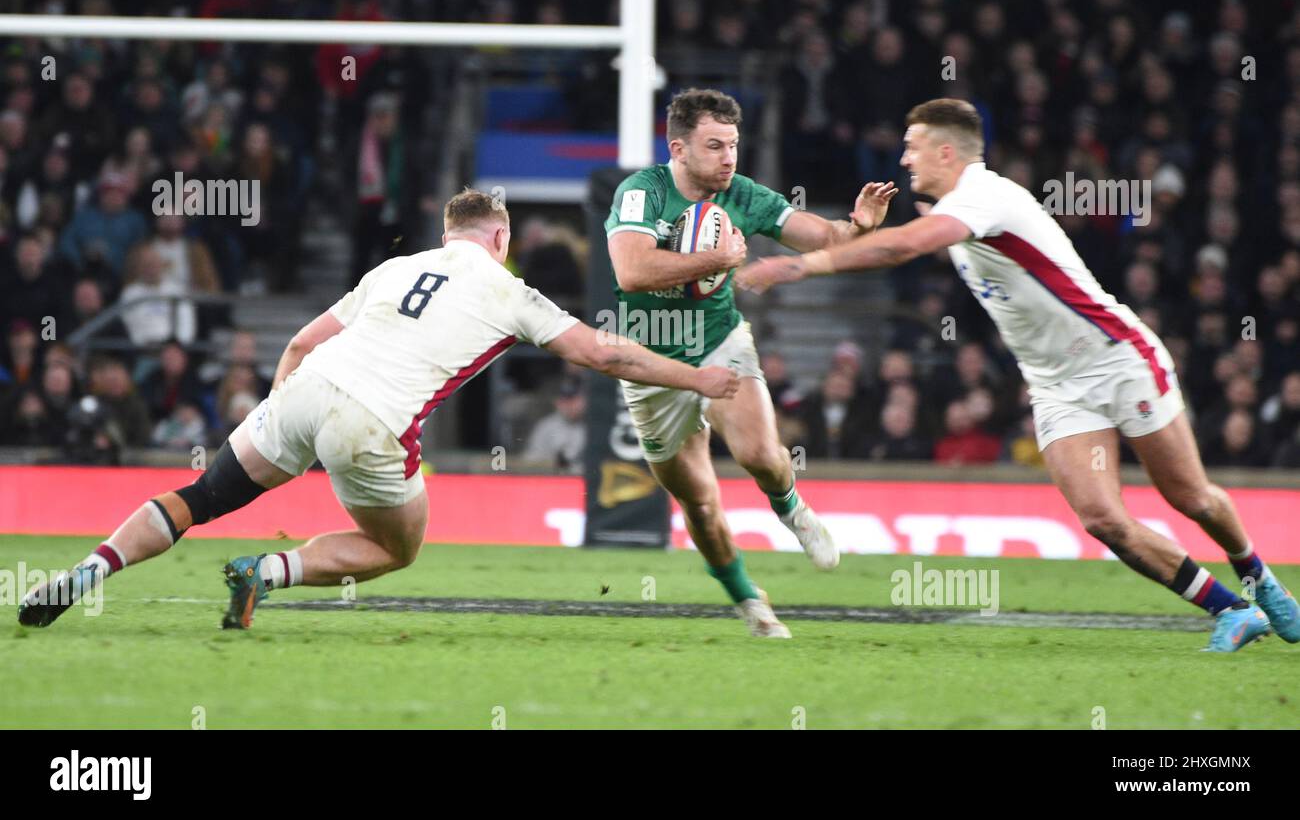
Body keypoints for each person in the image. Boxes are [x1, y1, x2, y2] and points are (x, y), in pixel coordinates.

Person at [19, 190, 738, 631]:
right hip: (372, 422)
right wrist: (696, 379)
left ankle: (90, 569)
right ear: (500, 239)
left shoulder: (393, 269)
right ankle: (264, 574)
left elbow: (300, 341)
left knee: (202, 496)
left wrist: (278, 421)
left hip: (305, 388)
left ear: (448, 230)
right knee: (398, 548)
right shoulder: (510, 291)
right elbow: (605, 355)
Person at [738, 98, 1299, 653]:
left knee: (1191, 497)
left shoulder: (987, 196)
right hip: (1057, 385)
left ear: (946, 150)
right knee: (1103, 519)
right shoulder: (955, 208)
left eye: (912, 149)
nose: (904, 161)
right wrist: (858, 230)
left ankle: (1263, 586)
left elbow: (906, 245)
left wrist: (798, 265)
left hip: (1114, 357)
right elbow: (893, 243)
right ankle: (1230, 610)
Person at [603, 88, 896, 637]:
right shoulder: (643, 193)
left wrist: (859, 224)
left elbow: (825, 236)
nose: (729, 158)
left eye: (733, 145)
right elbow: (632, 273)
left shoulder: (743, 194)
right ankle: (749, 601)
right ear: (679, 148)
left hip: (720, 341)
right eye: (715, 146)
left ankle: (792, 510)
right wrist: (719, 258)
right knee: (700, 503)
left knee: (761, 453)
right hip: (651, 361)